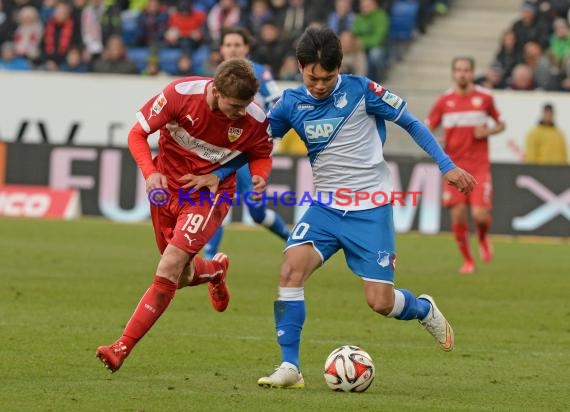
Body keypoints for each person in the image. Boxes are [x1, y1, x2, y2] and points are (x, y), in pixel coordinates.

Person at [215, 27, 475, 389]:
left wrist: (446, 165)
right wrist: (217, 172)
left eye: (327, 77)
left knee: (380, 303)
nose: (319, 85)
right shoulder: (290, 103)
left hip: (370, 209)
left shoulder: (362, 91)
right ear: (300, 67)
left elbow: (412, 123)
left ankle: (423, 309)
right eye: (312, 77)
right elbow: (256, 143)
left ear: (339, 69)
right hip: (324, 209)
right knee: (290, 271)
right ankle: (290, 366)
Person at [95, 58, 273, 373]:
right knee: (181, 275)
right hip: (166, 190)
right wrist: (150, 172)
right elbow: (137, 134)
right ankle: (215, 271)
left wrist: (260, 175)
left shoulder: (254, 118)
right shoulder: (179, 94)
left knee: (170, 263)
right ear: (216, 91)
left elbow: (260, 153)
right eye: (235, 105)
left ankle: (121, 346)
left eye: (245, 106)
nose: (241, 113)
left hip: (207, 197)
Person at [203, 27, 290, 260]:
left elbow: (278, 103)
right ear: (221, 49)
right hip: (219, 153)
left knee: (257, 212)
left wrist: (265, 132)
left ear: (246, 48)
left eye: (237, 45)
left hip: (247, 155)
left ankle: (293, 242)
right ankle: (210, 259)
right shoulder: (214, 79)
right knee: (213, 203)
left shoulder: (260, 73)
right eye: (228, 45)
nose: (232, 49)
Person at [426, 57, 505, 274]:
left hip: (479, 166)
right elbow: (426, 128)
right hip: (453, 167)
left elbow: (501, 123)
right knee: (458, 214)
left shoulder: (485, 97)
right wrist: (438, 140)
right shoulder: (444, 101)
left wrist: (487, 131)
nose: (462, 74)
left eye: (466, 70)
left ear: (472, 72)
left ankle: (482, 237)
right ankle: (468, 261)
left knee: (480, 215)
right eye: (459, 70)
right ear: (453, 73)